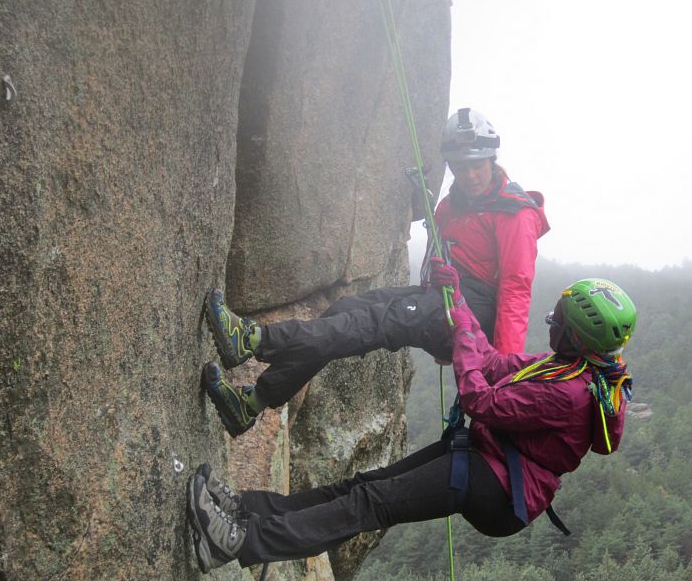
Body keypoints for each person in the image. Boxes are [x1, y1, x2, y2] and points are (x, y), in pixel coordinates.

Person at [186, 273, 637, 572]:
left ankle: (237, 542)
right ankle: (248, 509)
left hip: (496, 486)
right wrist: (457, 301)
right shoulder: (568, 368)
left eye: (555, 321)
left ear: (575, 337)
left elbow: (481, 398)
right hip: (488, 457)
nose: (550, 325)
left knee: (371, 503)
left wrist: (460, 335)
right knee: (361, 488)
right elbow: (495, 362)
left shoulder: (567, 391)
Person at [202, 108, 550, 436]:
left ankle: (252, 339)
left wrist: (502, 372)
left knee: (372, 324)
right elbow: (440, 256)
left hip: (476, 315)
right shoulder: (448, 205)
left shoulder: (515, 213)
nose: (470, 175)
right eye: (460, 166)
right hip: (443, 298)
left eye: (477, 164)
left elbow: (515, 291)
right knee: (345, 311)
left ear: (492, 159)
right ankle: (251, 403)